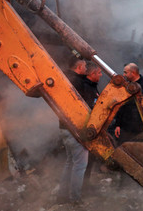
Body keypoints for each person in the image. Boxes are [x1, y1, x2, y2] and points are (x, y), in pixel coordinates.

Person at [57, 58, 91, 205]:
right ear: (79, 67)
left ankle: (61, 196)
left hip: (64, 127)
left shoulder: (63, 77)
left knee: (70, 163)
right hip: (75, 129)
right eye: (84, 66)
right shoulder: (77, 82)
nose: (86, 69)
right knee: (80, 165)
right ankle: (75, 199)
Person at [82, 62, 102, 191]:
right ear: (92, 74)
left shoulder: (93, 86)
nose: (100, 75)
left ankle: (86, 184)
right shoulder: (85, 87)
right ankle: (83, 187)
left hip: (94, 128)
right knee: (85, 160)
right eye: (99, 73)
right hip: (87, 128)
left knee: (91, 159)